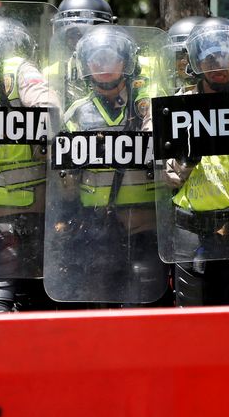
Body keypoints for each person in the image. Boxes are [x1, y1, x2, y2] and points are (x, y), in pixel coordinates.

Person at [51, 24, 166, 306]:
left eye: (110, 58)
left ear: (125, 63)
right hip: (96, 231)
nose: (103, 66)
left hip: (146, 227)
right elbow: (66, 189)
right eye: (96, 59)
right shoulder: (76, 113)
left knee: (147, 310)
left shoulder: (146, 104)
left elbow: (157, 134)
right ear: (85, 65)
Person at [161, 17, 229, 306]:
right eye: (209, 58)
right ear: (196, 63)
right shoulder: (176, 106)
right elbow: (164, 172)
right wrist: (180, 164)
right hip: (191, 231)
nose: (218, 66)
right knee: (193, 330)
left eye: (225, 56)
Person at [0, 15, 60, 312]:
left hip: (19, 218)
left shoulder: (13, 71)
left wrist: (44, 142)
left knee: (1, 311)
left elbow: (48, 106)